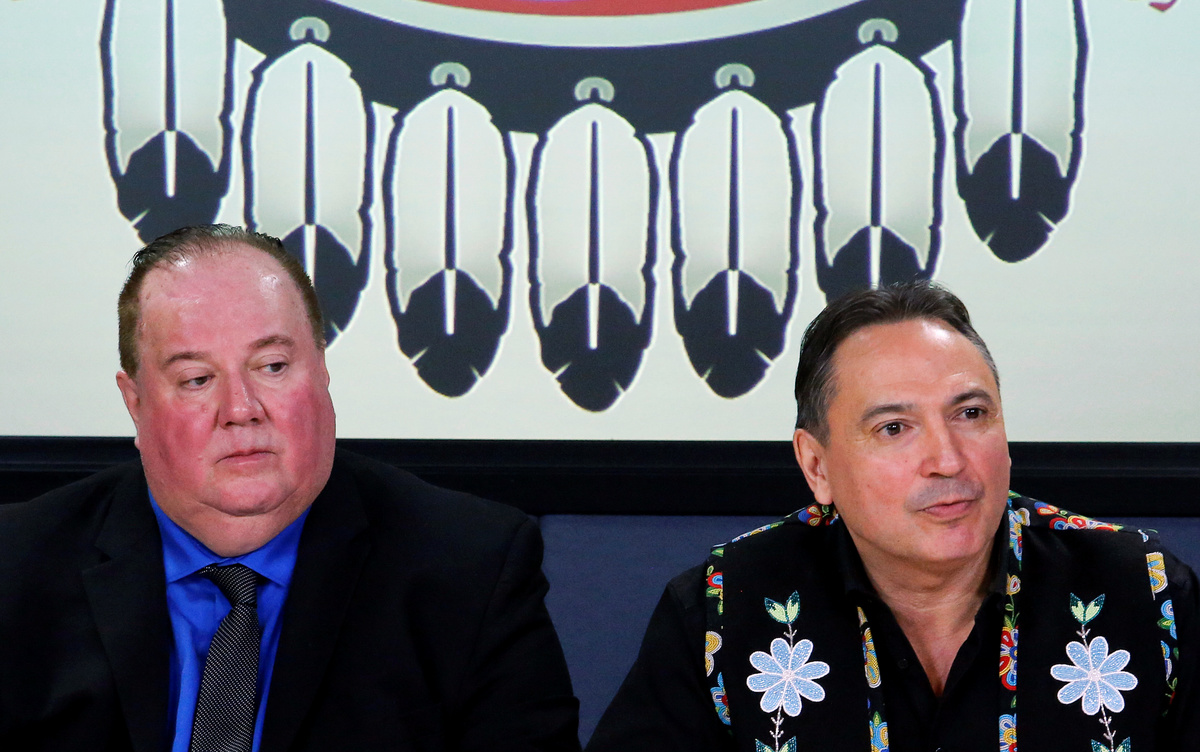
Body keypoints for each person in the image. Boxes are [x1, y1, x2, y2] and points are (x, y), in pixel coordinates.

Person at [0, 225, 580, 751]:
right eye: (197, 379)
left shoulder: (469, 572)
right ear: (135, 403)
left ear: (322, 371)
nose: (241, 409)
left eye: (272, 366)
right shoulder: (17, 567)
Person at [587, 282, 1198, 751]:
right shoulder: (721, 610)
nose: (947, 460)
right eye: (894, 428)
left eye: (971, 414)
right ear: (817, 466)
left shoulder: (1146, 594)